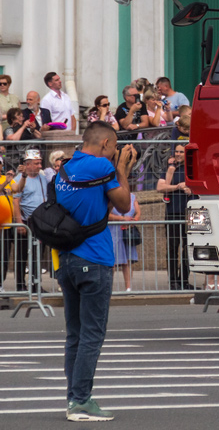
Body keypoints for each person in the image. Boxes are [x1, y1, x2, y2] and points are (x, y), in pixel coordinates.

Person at [54, 122, 137, 421]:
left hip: (67, 259)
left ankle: (73, 398)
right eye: (114, 147)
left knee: (75, 334)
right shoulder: (102, 166)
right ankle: (81, 401)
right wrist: (122, 168)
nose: (115, 152)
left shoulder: (65, 168)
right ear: (104, 144)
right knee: (92, 334)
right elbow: (125, 204)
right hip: (95, 257)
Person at [11, 148, 48, 293]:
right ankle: (20, 284)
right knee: (22, 255)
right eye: (37, 163)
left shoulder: (43, 178)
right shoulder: (19, 180)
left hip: (41, 222)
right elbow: (16, 202)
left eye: (40, 163)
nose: (40, 166)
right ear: (28, 164)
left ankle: (35, 284)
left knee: (37, 254)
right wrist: (19, 222)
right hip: (26, 221)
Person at [157, 144, 191, 290]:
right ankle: (173, 281)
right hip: (172, 212)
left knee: (188, 247)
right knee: (172, 247)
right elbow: (160, 187)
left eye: (181, 152)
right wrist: (178, 186)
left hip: (189, 213)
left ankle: (184, 280)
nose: (178, 154)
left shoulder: (191, 169)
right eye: (176, 151)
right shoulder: (169, 168)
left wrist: (189, 187)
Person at [108, 194, 140, 292]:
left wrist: (133, 221)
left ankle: (128, 287)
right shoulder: (110, 196)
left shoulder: (132, 197)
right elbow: (106, 215)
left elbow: (138, 212)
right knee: (111, 261)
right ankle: (108, 287)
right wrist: (122, 219)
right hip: (114, 231)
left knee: (127, 261)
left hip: (127, 231)